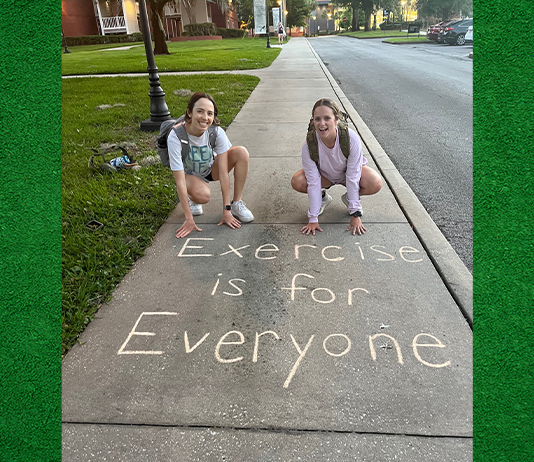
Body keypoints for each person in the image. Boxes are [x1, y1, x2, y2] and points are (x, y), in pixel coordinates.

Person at [168, 92, 254, 239]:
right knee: (204, 196)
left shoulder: (216, 132)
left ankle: (236, 204)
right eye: (200, 111)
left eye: (210, 113)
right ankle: (193, 201)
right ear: (189, 112)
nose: (205, 118)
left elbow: (223, 173)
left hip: (209, 169)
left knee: (241, 153)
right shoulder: (176, 136)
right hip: (189, 174)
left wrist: (226, 210)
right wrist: (189, 219)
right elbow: (180, 181)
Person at [291, 98, 382, 236]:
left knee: (375, 182)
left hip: (346, 175)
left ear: (336, 119)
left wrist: (355, 213)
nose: (322, 124)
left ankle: (349, 199)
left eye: (327, 118)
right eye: (317, 119)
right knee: (297, 181)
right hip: (325, 176)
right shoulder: (308, 146)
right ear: (313, 121)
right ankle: (322, 198)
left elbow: (353, 176)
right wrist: (313, 218)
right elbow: (313, 181)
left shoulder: (351, 139)